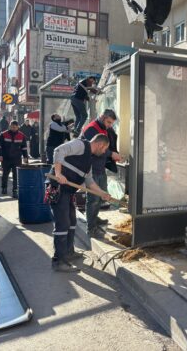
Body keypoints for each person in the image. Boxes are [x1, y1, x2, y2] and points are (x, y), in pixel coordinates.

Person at [48, 134, 111, 273]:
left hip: (68, 192)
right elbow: (58, 151)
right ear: (101, 145)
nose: (104, 151)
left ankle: (69, 252)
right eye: (105, 148)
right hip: (58, 189)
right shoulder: (80, 145)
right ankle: (58, 261)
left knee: (71, 221)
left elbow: (90, 183)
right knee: (62, 224)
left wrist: (102, 194)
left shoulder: (89, 161)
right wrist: (58, 174)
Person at [81, 109, 122, 237]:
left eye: (112, 123)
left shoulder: (104, 127)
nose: (110, 125)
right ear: (103, 117)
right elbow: (96, 148)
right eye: (109, 122)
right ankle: (91, 227)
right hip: (91, 169)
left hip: (100, 168)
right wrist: (112, 154)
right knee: (93, 199)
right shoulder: (91, 129)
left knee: (100, 197)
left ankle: (94, 218)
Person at [0, 121, 29, 197]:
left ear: (18, 127)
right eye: (12, 126)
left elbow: (24, 147)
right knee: (5, 174)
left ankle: (15, 191)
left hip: (16, 159)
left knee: (16, 176)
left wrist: (25, 157)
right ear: (9, 126)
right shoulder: (3, 134)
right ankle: (4, 188)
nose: (13, 128)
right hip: (6, 158)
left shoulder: (21, 135)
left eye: (15, 127)